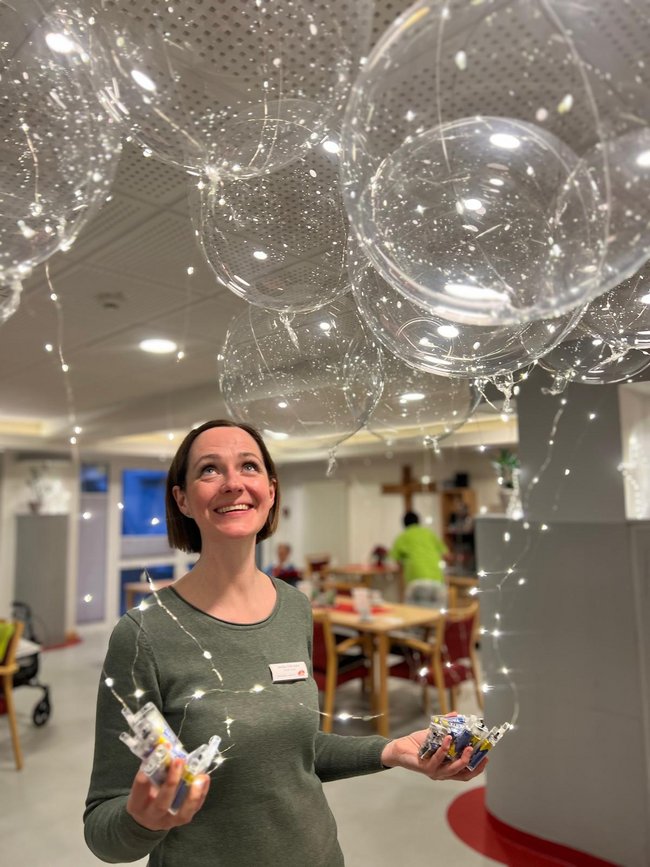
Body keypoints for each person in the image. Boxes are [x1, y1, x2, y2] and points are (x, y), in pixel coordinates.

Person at [84, 420, 485, 867]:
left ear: (271, 491)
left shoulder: (294, 607)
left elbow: (294, 750)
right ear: (182, 499)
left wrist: (389, 750)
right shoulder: (144, 634)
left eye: (249, 466)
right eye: (209, 469)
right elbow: (102, 828)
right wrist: (143, 820)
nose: (233, 483)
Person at [390, 511, 450, 606]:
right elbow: (447, 555)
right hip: (436, 580)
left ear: (404, 524)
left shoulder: (402, 537)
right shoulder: (429, 534)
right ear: (418, 521)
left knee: (414, 612)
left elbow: (397, 562)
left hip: (415, 581)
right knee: (437, 613)